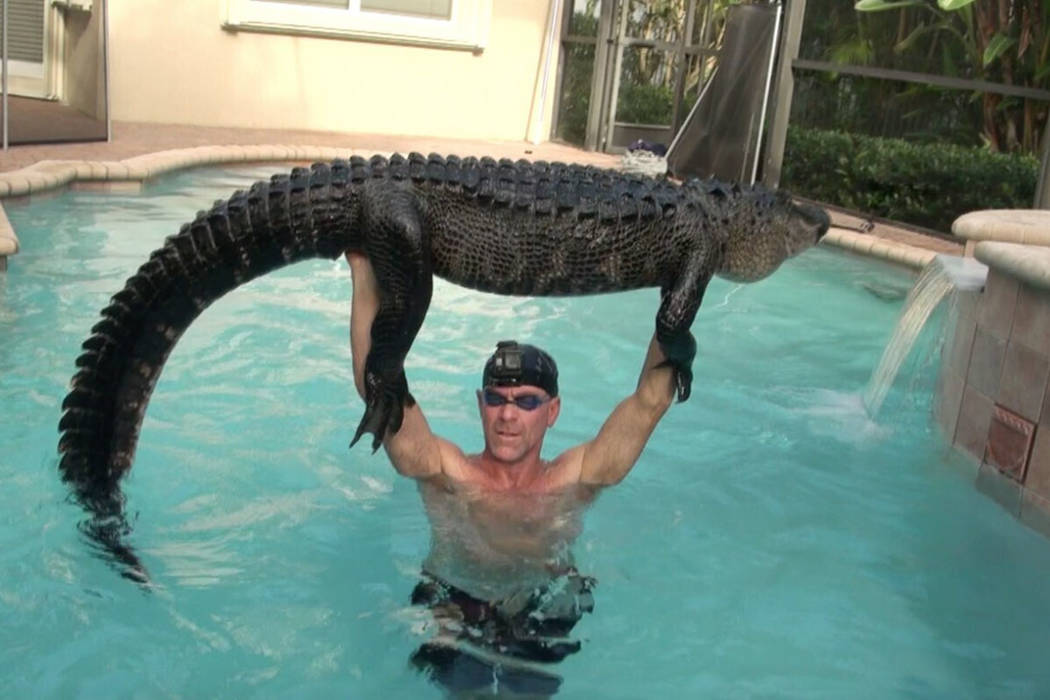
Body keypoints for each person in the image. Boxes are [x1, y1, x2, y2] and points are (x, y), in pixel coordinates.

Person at [348, 252, 677, 695]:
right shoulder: (447, 472)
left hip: (544, 603)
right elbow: (377, 389)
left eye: (526, 402)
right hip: (454, 602)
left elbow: (650, 401)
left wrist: (680, 289)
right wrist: (364, 270)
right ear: (480, 404)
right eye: (496, 399)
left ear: (552, 411)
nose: (508, 415)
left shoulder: (575, 479)